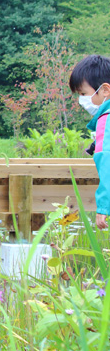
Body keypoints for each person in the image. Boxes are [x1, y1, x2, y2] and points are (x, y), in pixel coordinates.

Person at [69, 54, 110, 230]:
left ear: (105, 90)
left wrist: (104, 206)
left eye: (83, 94)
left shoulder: (106, 119)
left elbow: (107, 160)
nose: (82, 100)